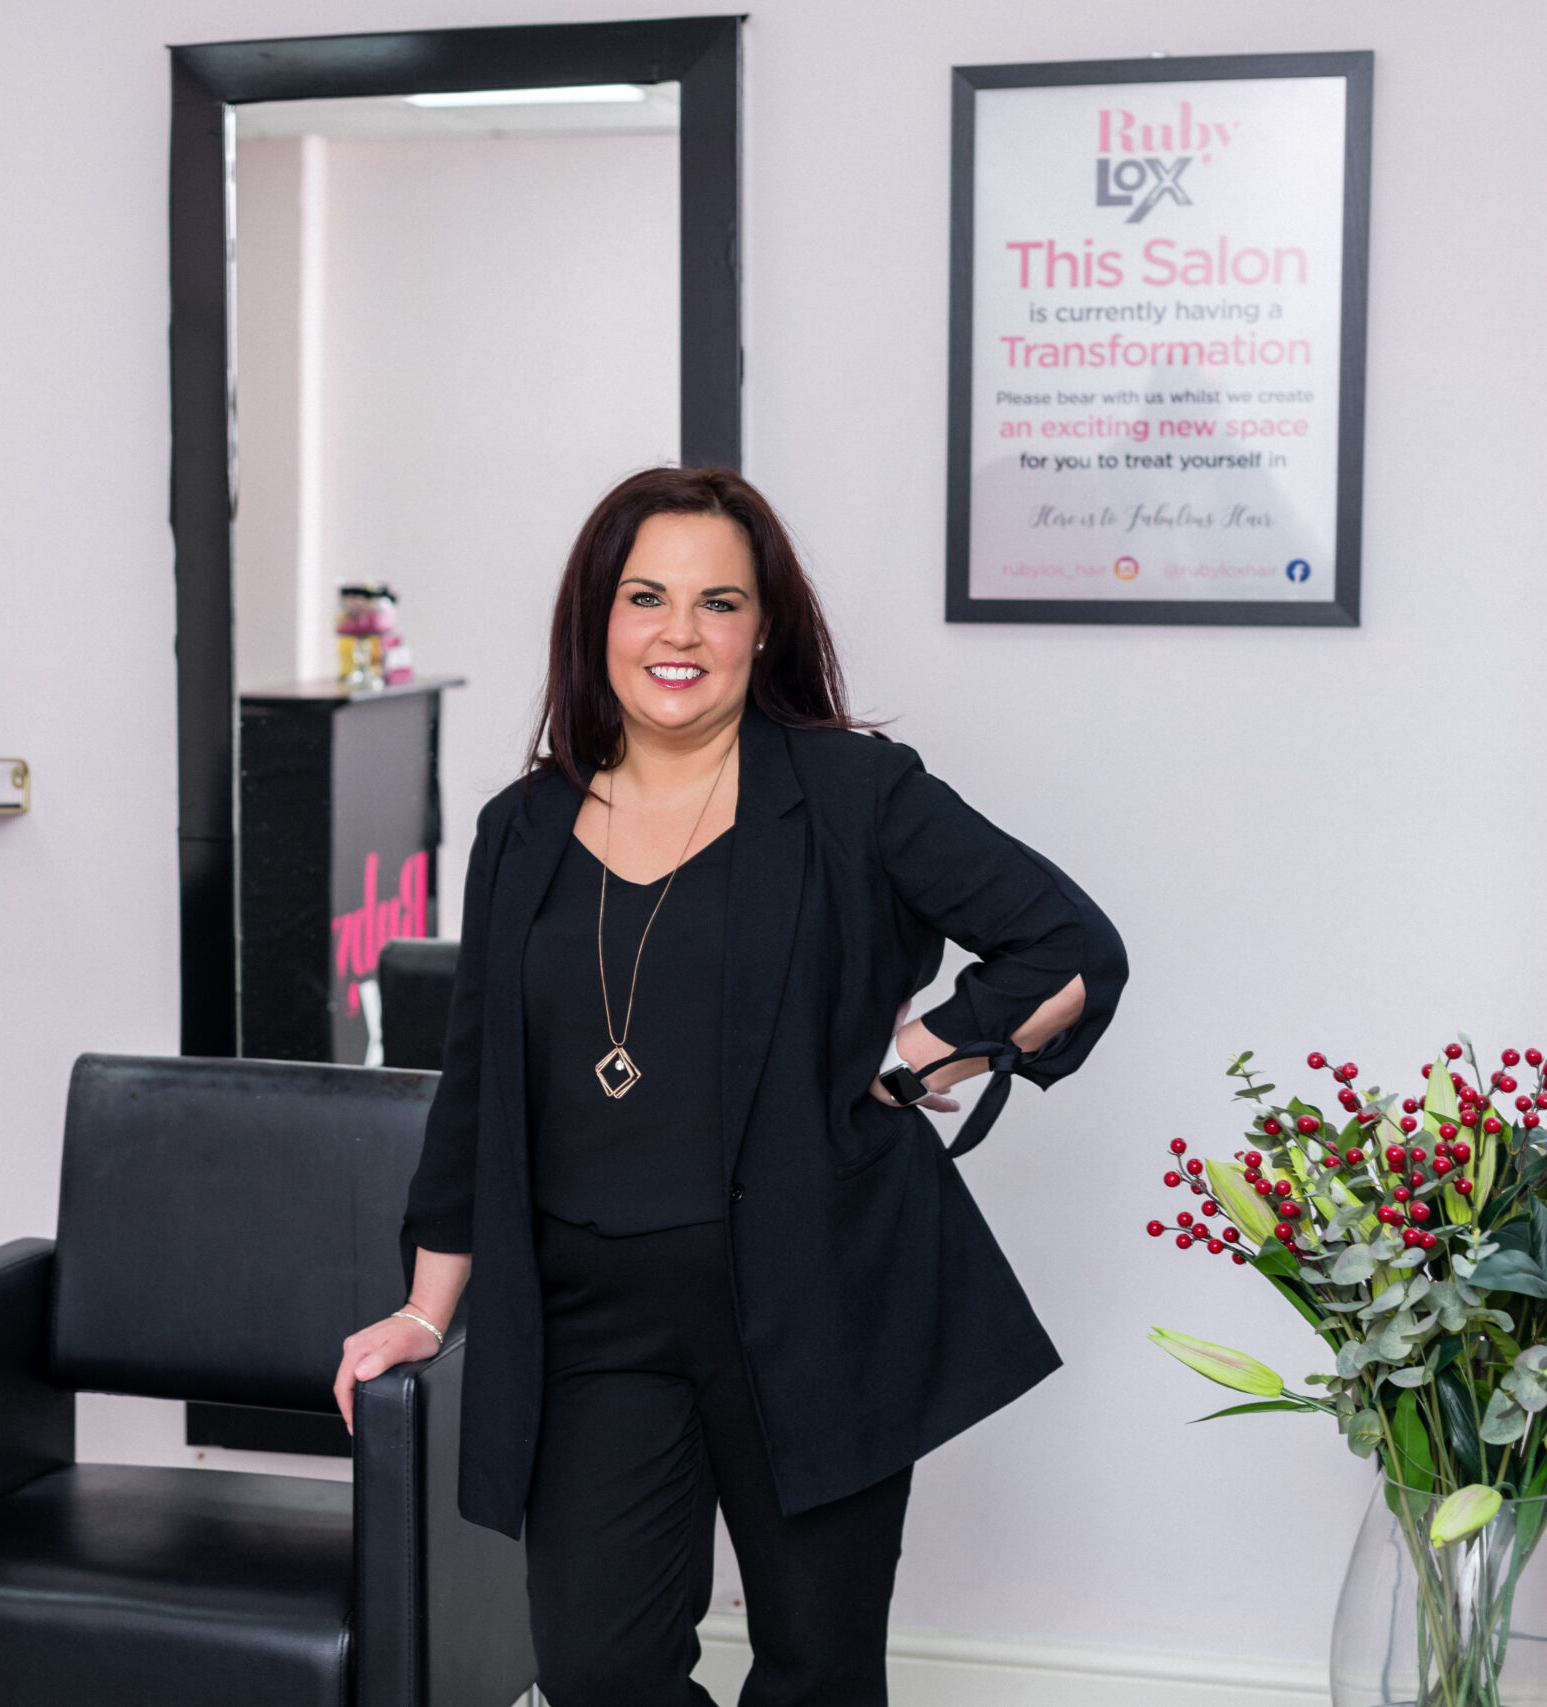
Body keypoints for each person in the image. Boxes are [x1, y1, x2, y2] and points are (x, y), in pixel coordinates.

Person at [331, 467, 1126, 1706]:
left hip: (811, 1296)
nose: (680, 633)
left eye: (719, 601)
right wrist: (427, 1312)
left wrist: (913, 1065)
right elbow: (479, 1083)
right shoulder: (521, 826)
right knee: (598, 1671)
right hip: (590, 1319)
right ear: (598, 615)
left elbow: (1069, 949)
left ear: (765, 626)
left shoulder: (858, 797)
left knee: (814, 1671)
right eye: (647, 596)